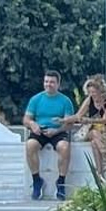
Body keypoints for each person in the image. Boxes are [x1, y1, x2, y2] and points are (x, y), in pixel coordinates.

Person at [23, 70, 75, 200]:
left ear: (58, 84)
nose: (48, 84)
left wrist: (56, 131)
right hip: (40, 130)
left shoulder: (65, 101)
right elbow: (26, 119)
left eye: (52, 82)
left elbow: (69, 123)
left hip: (58, 131)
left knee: (64, 147)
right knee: (30, 145)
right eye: (46, 81)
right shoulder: (36, 99)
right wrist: (33, 124)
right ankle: (36, 180)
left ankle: (61, 182)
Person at [71, 74, 106, 174]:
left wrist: (90, 120)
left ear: (100, 91)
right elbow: (78, 115)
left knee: (94, 143)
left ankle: (100, 174)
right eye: (90, 92)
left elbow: (105, 120)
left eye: (94, 92)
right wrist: (66, 120)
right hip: (92, 130)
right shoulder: (89, 100)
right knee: (95, 133)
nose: (92, 94)